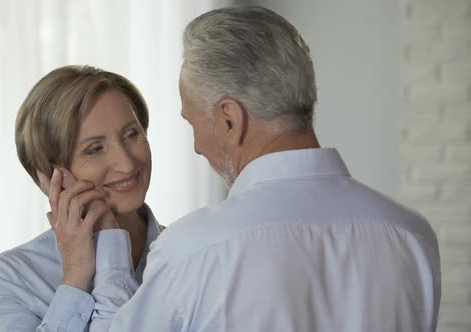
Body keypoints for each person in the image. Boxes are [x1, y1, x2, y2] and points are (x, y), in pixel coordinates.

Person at [63, 6, 441, 332]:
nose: (195, 146)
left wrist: (110, 246)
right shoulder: (412, 236)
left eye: (194, 123)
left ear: (229, 119)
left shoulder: (194, 249)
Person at [0, 65, 164, 331]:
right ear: (52, 175)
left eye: (132, 134)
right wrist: (76, 275)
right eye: (95, 149)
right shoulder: (14, 276)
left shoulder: (192, 252)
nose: (126, 164)